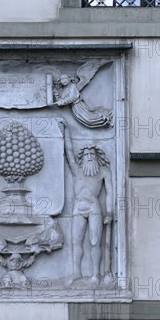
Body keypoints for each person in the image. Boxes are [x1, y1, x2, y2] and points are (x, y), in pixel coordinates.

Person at [59, 121, 114, 286]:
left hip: (94, 208)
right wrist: (65, 131)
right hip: (78, 207)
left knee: (95, 241)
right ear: (83, 157)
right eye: (87, 155)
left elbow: (110, 193)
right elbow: (69, 151)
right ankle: (77, 272)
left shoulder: (103, 172)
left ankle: (96, 275)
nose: (89, 157)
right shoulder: (77, 170)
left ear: (96, 157)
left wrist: (110, 212)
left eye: (92, 155)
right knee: (76, 242)